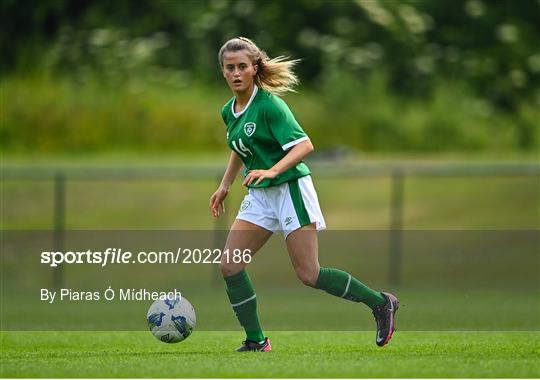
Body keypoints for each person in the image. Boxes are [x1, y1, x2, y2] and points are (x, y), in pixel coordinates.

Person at [210, 37, 399, 352]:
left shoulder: (270, 105)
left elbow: (304, 145)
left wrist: (272, 171)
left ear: (254, 68)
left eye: (242, 66)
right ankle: (257, 341)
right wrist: (225, 184)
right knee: (230, 265)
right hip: (260, 195)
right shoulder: (229, 110)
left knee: (309, 274)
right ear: (223, 72)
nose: (236, 72)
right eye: (230, 68)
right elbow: (241, 147)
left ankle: (380, 303)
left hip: (290, 189)